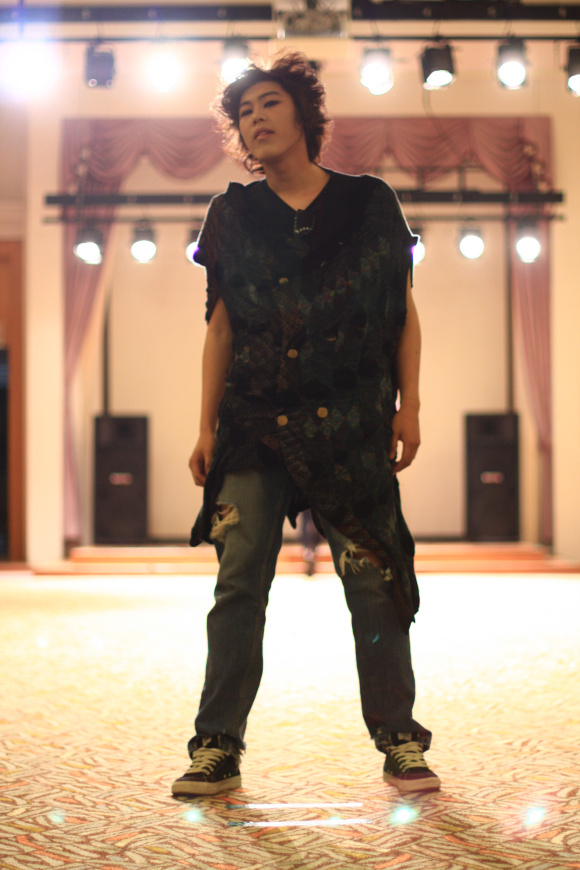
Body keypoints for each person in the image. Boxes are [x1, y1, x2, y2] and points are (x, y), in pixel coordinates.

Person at [172, 51, 440, 798]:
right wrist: (204, 426)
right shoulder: (231, 215)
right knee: (239, 583)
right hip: (253, 420)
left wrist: (410, 404)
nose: (255, 119)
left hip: (351, 420)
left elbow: (402, 310)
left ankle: (399, 739)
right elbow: (220, 327)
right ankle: (216, 745)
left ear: (303, 114)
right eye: (243, 112)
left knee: (374, 580)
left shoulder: (369, 202)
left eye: (268, 103)